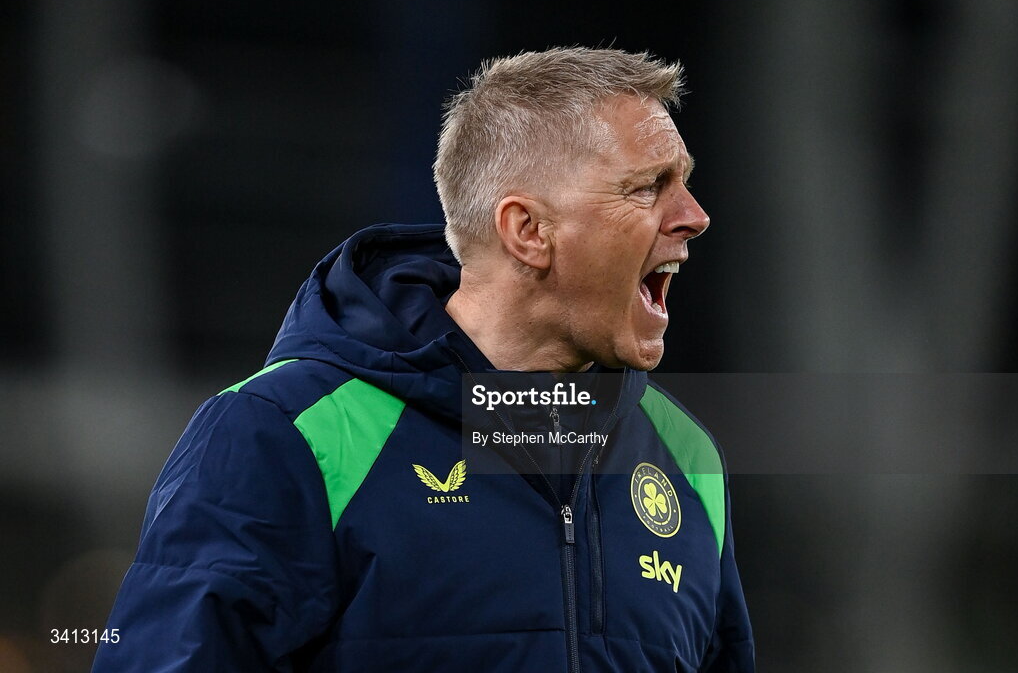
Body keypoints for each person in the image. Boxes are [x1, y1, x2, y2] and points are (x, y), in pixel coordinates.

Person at [93, 47, 754, 672]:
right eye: (648, 187)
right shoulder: (287, 433)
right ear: (528, 232)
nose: (693, 215)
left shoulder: (685, 456)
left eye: (685, 182)